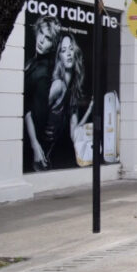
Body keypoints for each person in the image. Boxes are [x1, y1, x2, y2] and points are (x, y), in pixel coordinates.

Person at [43, 32, 91, 170]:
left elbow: (74, 132)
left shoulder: (73, 91)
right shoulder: (58, 85)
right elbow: (37, 114)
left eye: (71, 49)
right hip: (49, 152)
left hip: (63, 152)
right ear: (59, 57)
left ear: (75, 52)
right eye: (64, 51)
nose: (68, 53)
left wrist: (89, 110)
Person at [24, 16, 60, 171]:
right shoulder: (32, 62)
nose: (41, 41)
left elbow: (36, 114)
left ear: (52, 45)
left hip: (26, 138)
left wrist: (34, 144)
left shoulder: (42, 73)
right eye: (41, 33)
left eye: (48, 39)